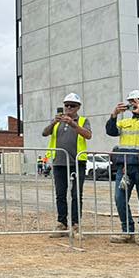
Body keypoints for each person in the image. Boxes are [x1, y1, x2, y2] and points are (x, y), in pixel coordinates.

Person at [106, 90, 139, 246]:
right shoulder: (124, 122)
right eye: (131, 101)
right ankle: (127, 231)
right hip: (125, 166)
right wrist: (114, 114)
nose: (133, 104)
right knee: (119, 198)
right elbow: (110, 131)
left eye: (137, 101)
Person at [42, 93, 92, 237]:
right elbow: (44, 133)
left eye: (72, 105)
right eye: (67, 105)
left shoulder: (83, 120)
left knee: (76, 194)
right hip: (59, 162)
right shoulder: (57, 121)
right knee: (60, 194)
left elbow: (88, 135)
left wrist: (73, 124)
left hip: (77, 162)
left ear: (78, 107)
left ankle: (76, 225)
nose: (69, 108)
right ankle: (62, 223)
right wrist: (53, 123)